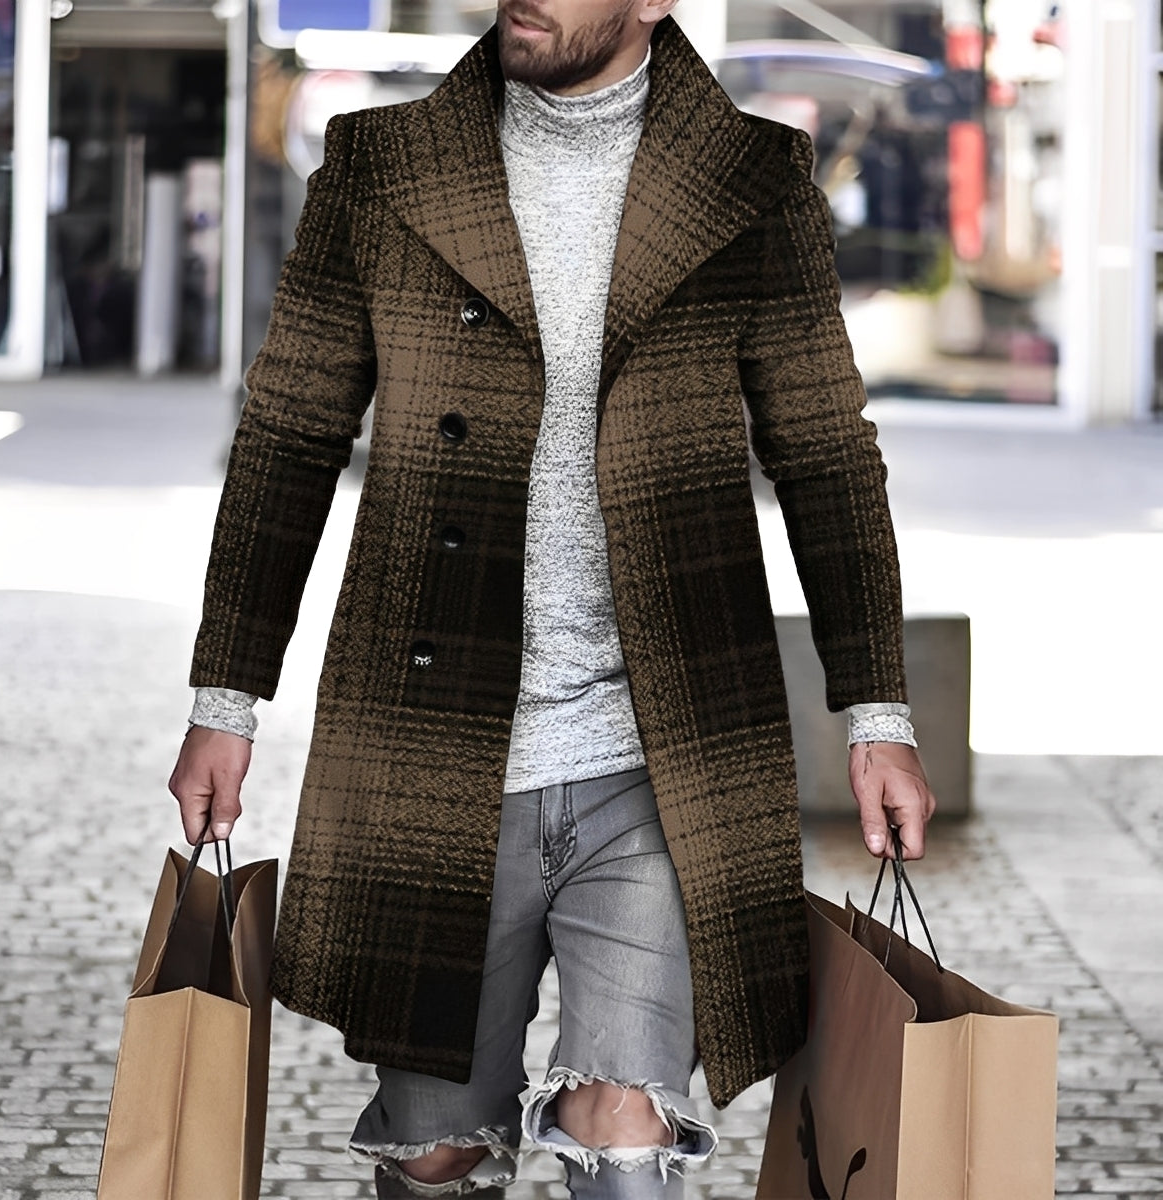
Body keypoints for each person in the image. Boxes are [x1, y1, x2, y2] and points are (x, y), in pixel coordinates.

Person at [168, 2, 936, 1196]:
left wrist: (877, 714)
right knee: (436, 1153)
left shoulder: (751, 179)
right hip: (436, 750)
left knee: (625, 1140)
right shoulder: (382, 166)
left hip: (660, 757)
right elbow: (289, 432)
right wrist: (228, 694)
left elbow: (826, 450)